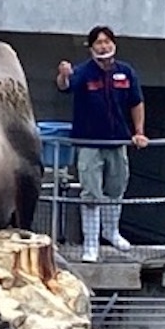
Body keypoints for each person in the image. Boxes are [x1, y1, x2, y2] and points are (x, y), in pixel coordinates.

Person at [57, 25, 148, 262]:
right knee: (91, 193)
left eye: (107, 41)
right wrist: (64, 74)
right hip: (89, 143)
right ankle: (91, 244)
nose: (103, 46)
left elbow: (136, 102)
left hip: (118, 141)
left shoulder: (126, 72)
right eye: (98, 42)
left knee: (116, 189)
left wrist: (139, 132)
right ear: (91, 47)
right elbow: (65, 86)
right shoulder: (83, 72)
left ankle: (111, 231)